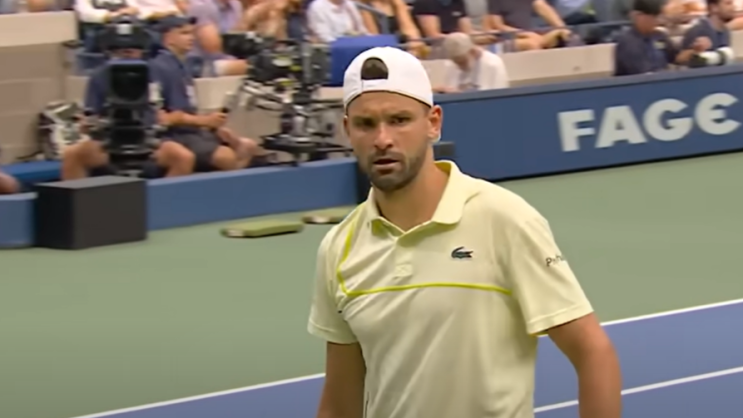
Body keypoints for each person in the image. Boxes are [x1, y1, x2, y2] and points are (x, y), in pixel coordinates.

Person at [307, 46, 622, 418]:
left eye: (399, 120)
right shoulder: (339, 247)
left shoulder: (504, 219)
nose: (383, 139)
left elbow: (593, 352)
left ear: (433, 123)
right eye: (366, 124)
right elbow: (340, 401)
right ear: (348, 130)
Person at [61, 47, 196, 180]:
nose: (127, 50)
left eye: (133, 47)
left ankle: (158, 195)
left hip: (150, 139)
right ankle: (79, 195)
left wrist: (167, 118)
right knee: (72, 154)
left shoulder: (161, 72)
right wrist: (88, 124)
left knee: (184, 157)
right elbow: (91, 115)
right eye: (123, 47)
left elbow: (177, 110)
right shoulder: (99, 75)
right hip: (109, 140)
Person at [150, 16, 260, 172]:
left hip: (193, 132)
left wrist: (211, 126)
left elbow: (188, 111)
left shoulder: (183, 66)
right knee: (226, 157)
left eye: (192, 33)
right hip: (172, 136)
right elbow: (162, 119)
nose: (191, 38)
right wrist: (205, 121)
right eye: (184, 33)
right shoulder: (158, 67)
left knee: (247, 146)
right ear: (168, 38)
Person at [613, 0, 701, 76]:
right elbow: (643, 73)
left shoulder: (659, 36)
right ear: (639, 16)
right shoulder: (627, 41)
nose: (657, 22)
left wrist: (694, 49)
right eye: (653, 17)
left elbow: (676, 58)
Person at [434, 31, 509, 93]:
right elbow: (451, 89)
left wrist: (460, 93)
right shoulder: (453, 65)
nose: (459, 67)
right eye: (456, 63)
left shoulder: (493, 64)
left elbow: (495, 95)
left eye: (462, 62)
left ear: (472, 52)